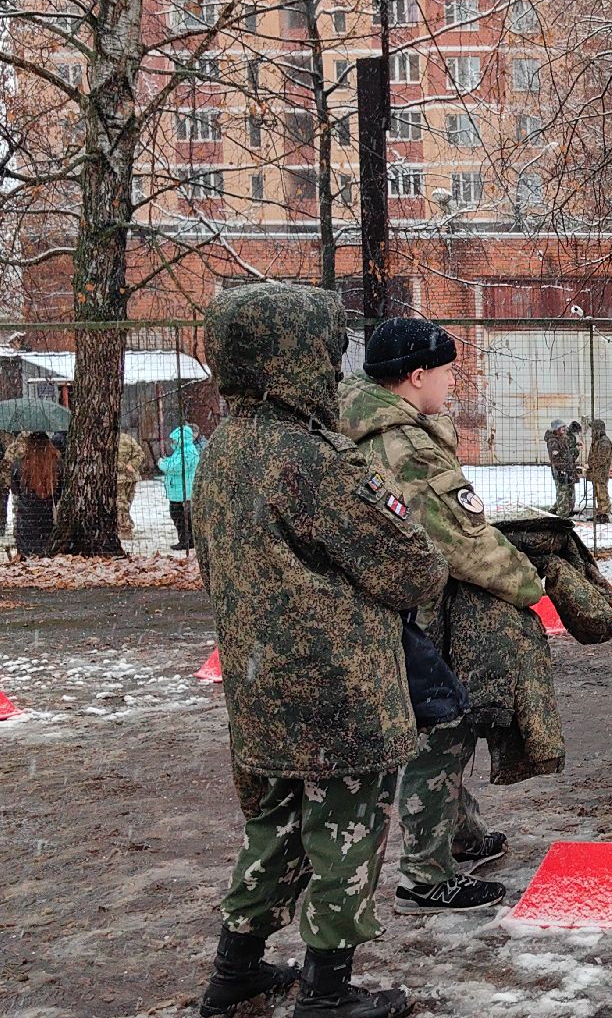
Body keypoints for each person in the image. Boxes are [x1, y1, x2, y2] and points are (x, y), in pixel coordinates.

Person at [192, 281, 447, 1018]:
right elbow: (411, 566)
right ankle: (328, 994)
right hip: (336, 689)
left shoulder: (225, 449)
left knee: (272, 832)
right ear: (297, 355)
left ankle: (235, 972)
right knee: (345, 835)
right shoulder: (307, 458)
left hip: (260, 686)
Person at [340, 317, 545, 916]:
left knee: (442, 716)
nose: (452, 382)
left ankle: (460, 835)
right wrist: (529, 585)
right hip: (411, 611)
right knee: (445, 725)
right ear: (417, 374)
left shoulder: (365, 425)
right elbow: (464, 540)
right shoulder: (404, 445)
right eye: (448, 370)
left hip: (385, 606)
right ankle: (425, 876)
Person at [9, 431, 61, 558]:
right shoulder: (57, 465)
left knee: (28, 555)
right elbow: (59, 492)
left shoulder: (19, 465)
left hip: (26, 518)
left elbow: (15, 491)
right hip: (46, 517)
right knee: (45, 553)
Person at [156, 423, 201, 551]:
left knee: (181, 517)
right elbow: (171, 463)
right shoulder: (180, 451)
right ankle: (185, 540)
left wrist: (161, 463)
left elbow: (173, 467)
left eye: (176, 439)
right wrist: (166, 463)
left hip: (184, 491)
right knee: (178, 516)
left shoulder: (189, 452)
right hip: (178, 490)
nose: (173, 442)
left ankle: (187, 541)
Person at [543, 420, 578, 517]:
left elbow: (566, 454)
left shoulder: (563, 438)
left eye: (564, 427)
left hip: (568, 469)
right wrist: (564, 469)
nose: (564, 429)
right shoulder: (553, 441)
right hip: (561, 471)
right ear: (556, 429)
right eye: (561, 427)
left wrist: (575, 450)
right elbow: (556, 459)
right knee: (563, 493)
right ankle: (562, 514)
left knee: (570, 492)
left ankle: (565, 510)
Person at [116, 430, 146, 539]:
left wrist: (130, 465)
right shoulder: (127, 438)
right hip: (125, 478)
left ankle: (124, 527)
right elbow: (140, 454)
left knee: (123, 503)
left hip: (124, 478)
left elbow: (140, 454)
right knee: (123, 503)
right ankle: (124, 526)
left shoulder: (125, 439)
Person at [585, 418, 612, 523]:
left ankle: (604, 514)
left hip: (601, 473)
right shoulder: (597, 441)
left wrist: (591, 464)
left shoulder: (604, 442)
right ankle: (600, 513)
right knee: (598, 494)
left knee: (602, 494)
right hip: (596, 473)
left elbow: (601, 459)